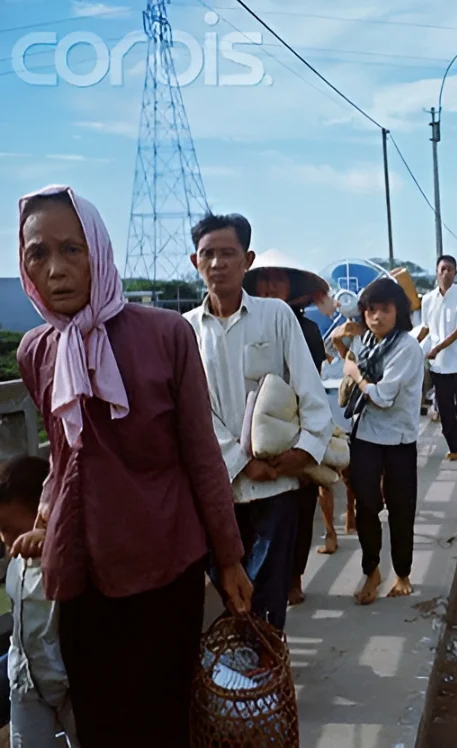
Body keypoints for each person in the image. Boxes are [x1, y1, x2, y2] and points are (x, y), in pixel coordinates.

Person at [15, 185, 250, 746]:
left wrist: (231, 559)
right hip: (80, 571)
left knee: (164, 718)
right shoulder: (36, 351)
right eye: (37, 254)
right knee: (97, 720)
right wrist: (46, 519)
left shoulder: (166, 335)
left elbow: (201, 455)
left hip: (164, 566)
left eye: (72, 250)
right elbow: (63, 457)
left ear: (99, 250)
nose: (56, 270)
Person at [185, 211, 333, 632]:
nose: (218, 263)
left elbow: (309, 388)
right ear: (195, 262)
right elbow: (194, 413)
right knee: (228, 591)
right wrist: (239, 460)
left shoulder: (277, 316)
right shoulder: (185, 331)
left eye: (228, 253)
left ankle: (265, 677)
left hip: (277, 483)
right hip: (220, 487)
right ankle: (241, 681)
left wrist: (304, 451)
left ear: (246, 259)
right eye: (208, 254)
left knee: (269, 594)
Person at [244, 254, 331, 607]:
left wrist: (306, 442)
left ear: (291, 288)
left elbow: (309, 386)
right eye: (263, 280)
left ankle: (294, 577)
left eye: (277, 280)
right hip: (253, 434)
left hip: (294, 428)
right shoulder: (247, 325)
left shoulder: (307, 329)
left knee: (301, 507)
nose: (269, 287)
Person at [341, 278, 424, 604]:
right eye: (370, 310)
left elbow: (383, 396)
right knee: (366, 506)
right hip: (366, 436)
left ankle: (402, 574)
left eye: (384, 310)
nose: (376, 317)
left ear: (398, 311)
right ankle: (371, 569)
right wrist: (348, 358)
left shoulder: (406, 347)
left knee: (401, 509)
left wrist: (355, 373)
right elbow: (356, 375)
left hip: (399, 439)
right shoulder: (366, 344)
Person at [0, 456, 77, 746]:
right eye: (1, 529)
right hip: (26, 681)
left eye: (14, 530)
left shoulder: (67, 557)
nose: (8, 541)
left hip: (70, 683)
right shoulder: (16, 565)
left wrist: (54, 541)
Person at [418, 255, 457, 460]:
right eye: (442, 269)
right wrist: (414, 346)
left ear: (456, 273)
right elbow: (426, 328)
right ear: (436, 271)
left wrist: (437, 348)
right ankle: (454, 448)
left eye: (450, 269)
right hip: (439, 366)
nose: (446, 273)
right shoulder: (427, 300)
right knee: (446, 408)